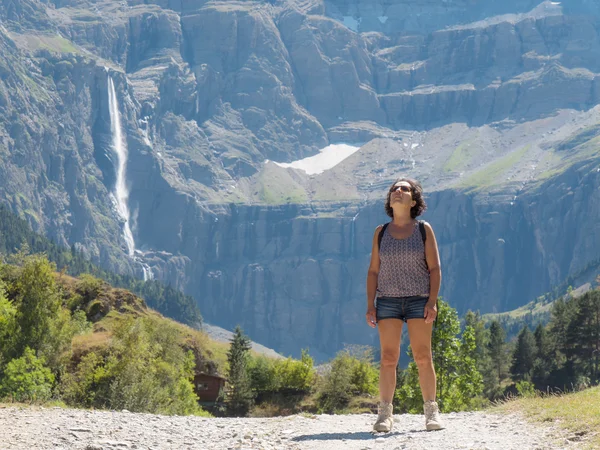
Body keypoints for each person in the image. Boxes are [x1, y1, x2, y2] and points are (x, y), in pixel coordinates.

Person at [365, 178, 444, 432]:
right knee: (388, 358)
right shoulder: (381, 232)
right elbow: (373, 271)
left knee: (423, 356)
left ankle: (431, 412)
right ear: (390, 200)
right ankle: (384, 416)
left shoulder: (423, 229)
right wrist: (370, 304)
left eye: (404, 189)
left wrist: (432, 301)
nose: (398, 191)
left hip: (418, 300)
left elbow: (434, 268)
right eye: (394, 189)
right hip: (387, 300)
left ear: (414, 200)